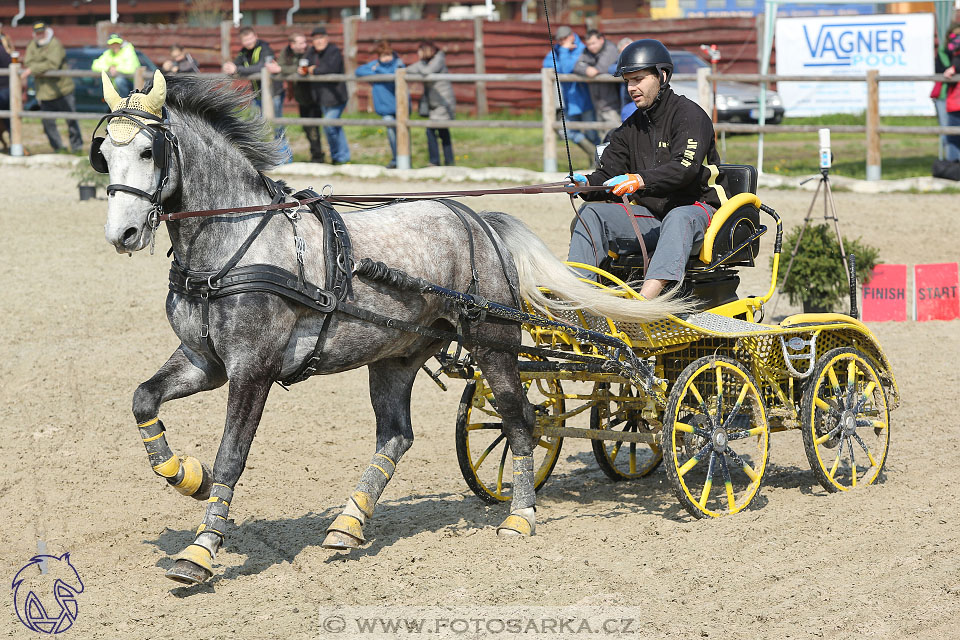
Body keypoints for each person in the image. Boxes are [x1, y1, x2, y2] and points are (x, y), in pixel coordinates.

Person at [567, 39, 730, 300]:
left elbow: (683, 169)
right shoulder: (629, 128)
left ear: (662, 76)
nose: (632, 87)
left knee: (678, 218)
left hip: (699, 211)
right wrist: (585, 183)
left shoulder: (690, 115)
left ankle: (643, 303)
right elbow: (607, 175)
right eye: (628, 81)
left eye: (639, 79)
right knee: (591, 214)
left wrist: (639, 180)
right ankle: (577, 298)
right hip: (653, 217)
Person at [222, 27, 291, 163]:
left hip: (272, 94)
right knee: (259, 126)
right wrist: (230, 68)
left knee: (276, 126)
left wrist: (238, 69)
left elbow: (262, 67)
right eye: (245, 40)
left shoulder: (265, 49)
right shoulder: (243, 52)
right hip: (258, 95)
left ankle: (285, 159)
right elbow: (237, 66)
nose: (248, 42)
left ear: (256, 36)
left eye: (250, 38)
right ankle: (267, 158)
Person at [22, 21, 82, 153]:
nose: (40, 35)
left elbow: (53, 64)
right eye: (37, 32)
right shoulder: (32, 44)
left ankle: (77, 148)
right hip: (44, 92)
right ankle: (58, 148)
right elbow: (28, 61)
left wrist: (34, 69)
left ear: (46, 31)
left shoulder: (55, 43)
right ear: (34, 33)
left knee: (71, 121)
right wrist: (38, 67)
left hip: (62, 89)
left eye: (42, 32)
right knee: (48, 123)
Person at [542, 26, 598, 160]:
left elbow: (566, 68)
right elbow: (547, 65)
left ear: (572, 36)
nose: (562, 42)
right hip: (569, 100)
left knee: (591, 133)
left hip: (585, 98)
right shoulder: (559, 49)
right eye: (560, 40)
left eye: (564, 38)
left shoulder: (583, 49)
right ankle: (592, 154)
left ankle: (599, 162)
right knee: (569, 132)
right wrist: (565, 51)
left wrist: (564, 53)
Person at [355, 40, 405, 168]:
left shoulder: (398, 64)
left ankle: (404, 160)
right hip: (385, 108)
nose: (387, 58)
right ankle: (396, 159)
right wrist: (377, 72)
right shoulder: (375, 65)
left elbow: (395, 74)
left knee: (403, 133)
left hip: (400, 106)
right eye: (383, 56)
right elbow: (359, 71)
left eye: (388, 55)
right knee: (391, 132)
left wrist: (378, 72)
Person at [407, 40, 455, 166]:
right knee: (439, 132)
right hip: (434, 103)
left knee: (435, 131)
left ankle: (438, 161)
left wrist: (417, 67)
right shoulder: (423, 63)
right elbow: (408, 70)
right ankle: (446, 161)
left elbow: (427, 72)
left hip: (443, 102)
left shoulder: (438, 60)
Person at [278, 32, 325, 163]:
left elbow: (317, 66)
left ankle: (318, 156)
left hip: (314, 94)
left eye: (305, 42)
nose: (305, 45)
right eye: (301, 43)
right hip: (301, 96)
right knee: (306, 126)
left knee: (315, 126)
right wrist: (296, 69)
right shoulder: (286, 52)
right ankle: (316, 155)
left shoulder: (311, 51)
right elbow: (280, 67)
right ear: (292, 45)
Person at [307, 27, 350, 164]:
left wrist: (314, 70)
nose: (319, 41)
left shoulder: (334, 51)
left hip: (336, 97)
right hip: (322, 97)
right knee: (334, 126)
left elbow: (331, 69)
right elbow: (304, 64)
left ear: (326, 38)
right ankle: (342, 156)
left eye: (321, 38)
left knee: (328, 125)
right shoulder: (311, 52)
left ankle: (337, 156)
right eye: (316, 39)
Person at [574, 30, 621, 137]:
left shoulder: (610, 49)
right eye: (588, 44)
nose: (591, 47)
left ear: (601, 40)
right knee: (603, 139)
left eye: (593, 43)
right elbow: (577, 66)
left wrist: (588, 69)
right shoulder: (587, 51)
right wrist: (587, 70)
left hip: (612, 104)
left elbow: (600, 68)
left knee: (615, 137)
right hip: (597, 104)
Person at [937, 23, 960, 162]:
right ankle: (953, 166)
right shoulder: (945, 50)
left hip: (954, 99)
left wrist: (953, 68)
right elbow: (942, 68)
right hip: (950, 97)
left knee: (951, 133)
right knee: (950, 133)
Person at [91, 33, 140, 97]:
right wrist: (108, 68)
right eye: (112, 44)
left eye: (117, 43)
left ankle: (125, 102)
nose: (115, 46)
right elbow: (95, 65)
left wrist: (116, 69)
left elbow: (131, 68)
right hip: (116, 88)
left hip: (133, 86)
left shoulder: (128, 51)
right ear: (109, 45)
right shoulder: (108, 53)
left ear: (121, 44)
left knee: (119, 81)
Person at [0, 23, 12, 151]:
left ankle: (14, 145)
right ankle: (13, 145)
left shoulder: (4, 43)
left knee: (9, 118)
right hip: (7, 87)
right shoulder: (6, 42)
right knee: (9, 119)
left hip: (4, 87)